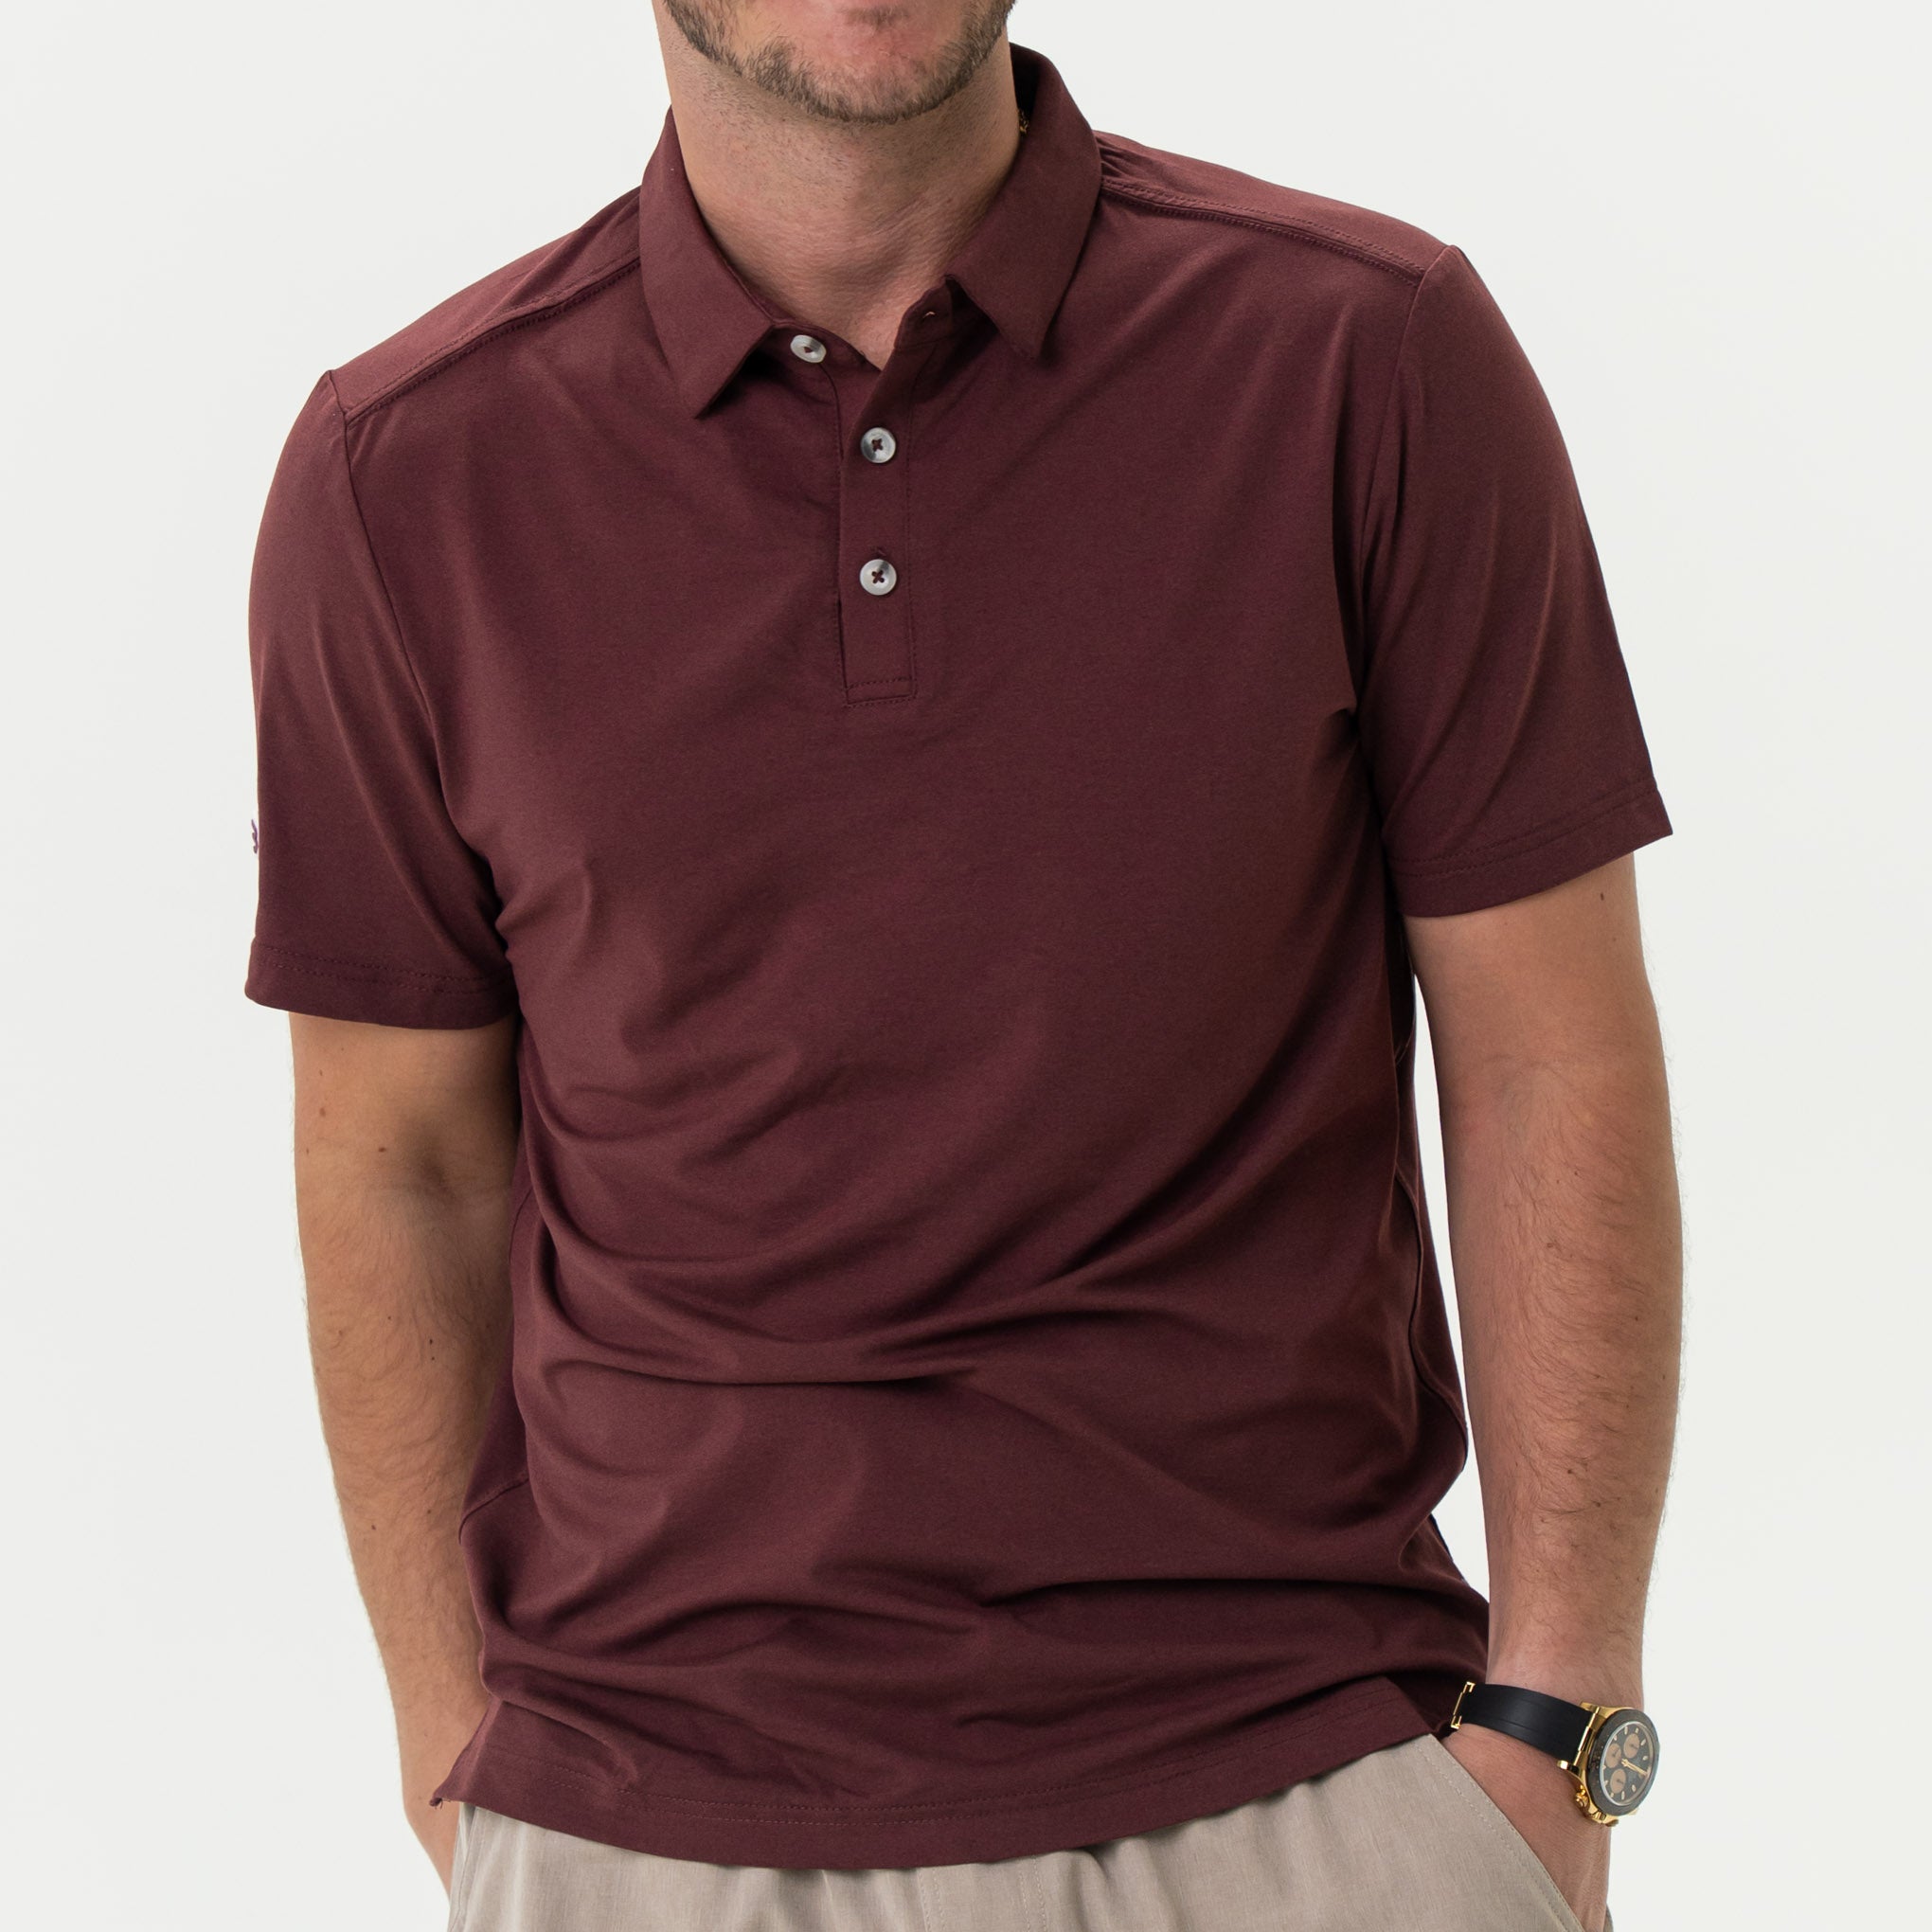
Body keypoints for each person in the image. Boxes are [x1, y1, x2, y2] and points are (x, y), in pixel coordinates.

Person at [242, 5, 1682, 1928]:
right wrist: (461, 1775)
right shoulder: (404, 470)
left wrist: (1560, 1727)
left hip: (1311, 1790)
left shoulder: (1364, 355)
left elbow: (1546, 1050)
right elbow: (397, 1157)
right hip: (649, 1827)